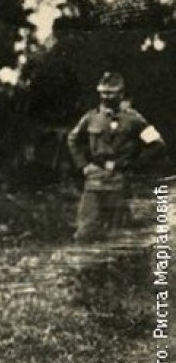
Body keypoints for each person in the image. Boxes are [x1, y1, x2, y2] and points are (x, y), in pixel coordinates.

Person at [67, 71, 167, 242]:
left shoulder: (133, 119)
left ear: (121, 94)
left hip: (119, 179)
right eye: (103, 93)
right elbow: (72, 139)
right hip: (95, 179)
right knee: (86, 231)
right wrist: (83, 165)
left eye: (111, 93)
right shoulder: (91, 117)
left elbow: (157, 144)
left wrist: (132, 165)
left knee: (117, 233)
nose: (106, 97)